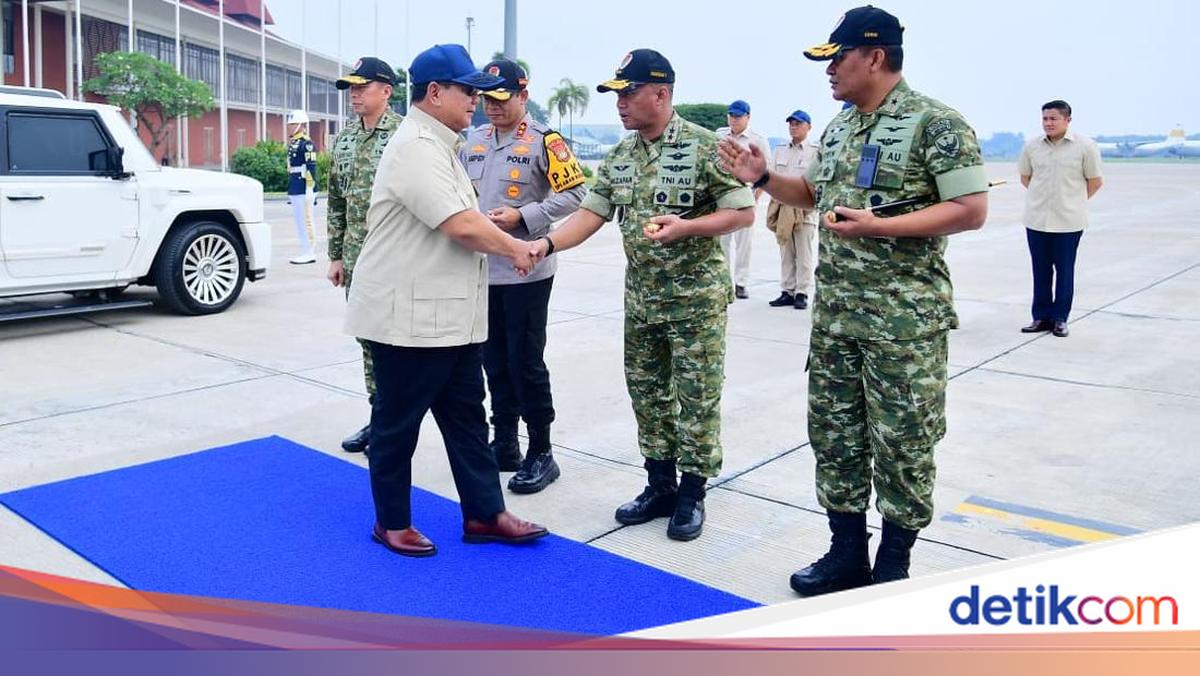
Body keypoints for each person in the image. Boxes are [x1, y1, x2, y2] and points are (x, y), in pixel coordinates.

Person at [719, 6, 989, 594]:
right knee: (836, 437)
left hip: (902, 326)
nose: (830, 70)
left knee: (904, 443)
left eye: (837, 58)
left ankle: (892, 567)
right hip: (837, 320)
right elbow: (811, 193)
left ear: (875, 56)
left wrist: (879, 227)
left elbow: (970, 210)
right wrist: (762, 178)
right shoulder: (841, 127)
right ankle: (846, 553)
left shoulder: (935, 123)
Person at [529, 49, 756, 541]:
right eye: (617, 95)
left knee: (697, 396)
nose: (620, 103)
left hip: (695, 302)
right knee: (648, 393)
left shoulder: (705, 147)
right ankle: (660, 485)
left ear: (661, 93)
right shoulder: (621, 155)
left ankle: (692, 493)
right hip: (643, 300)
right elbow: (590, 214)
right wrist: (545, 244)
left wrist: (688, 227)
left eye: (629, 93)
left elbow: (742, 212)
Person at [344, 44, 548, 556]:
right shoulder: (416, 146)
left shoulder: (441, 145)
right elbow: (461, 225)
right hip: (408, 319)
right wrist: (518, 250)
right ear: (435, 92)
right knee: (397, 423)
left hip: (447, 317)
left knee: (467, 420)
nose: (477, 100)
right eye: (468, 90)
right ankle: (391, 521)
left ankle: (484, 514)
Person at [460, 58, 587, 493]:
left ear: (523, 95)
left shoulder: (545, 141)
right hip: (483, 270)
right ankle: (505, 443)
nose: (492, 106)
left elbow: (577, 194)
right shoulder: (474, 140)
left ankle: (542, 451)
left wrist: (525, 215)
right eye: (486, 99)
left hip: (526, 271)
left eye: (502, 98)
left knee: (525, 363)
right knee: (493, 361)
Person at [325, 57, 404, 456]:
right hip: (357, 261)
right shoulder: (344, 139)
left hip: (395, 259)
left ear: (386, 91)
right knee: (367, 342)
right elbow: (336, 200)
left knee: (393, 346)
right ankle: (379, 418)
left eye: (362, 87)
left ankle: (392, 425)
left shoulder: (404, 136)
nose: (354, 95)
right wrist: (336, 255)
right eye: (351, 89)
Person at [1017, 100, 1103, 338]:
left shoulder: (1085, 147)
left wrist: (1073, 201)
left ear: (1068, 120)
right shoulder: (1032, 146)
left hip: (1068, 222)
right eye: (1045, 118)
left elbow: (1095, 181)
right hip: (1036, 220)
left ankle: (1060, 319)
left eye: (1053, 119)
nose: (1048, 123)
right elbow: (1026, 177)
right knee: (1040, 270)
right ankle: (1041, 317)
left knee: (1065, 272)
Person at [716, 100, 771, 299]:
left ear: (748, 117)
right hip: (722, 193)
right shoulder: (719, 135)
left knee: (743, 243)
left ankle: (741, 282)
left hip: (744, 193)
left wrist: (755, 198)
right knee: (722, 241)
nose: (734, 119)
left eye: (738, 116)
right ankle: (724, 281)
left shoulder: (757, 140)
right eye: (731, 115)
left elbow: (766, 173)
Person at [765, 110, 819, 310]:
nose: (793, 127)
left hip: (805, 209)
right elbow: (772, 176)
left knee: (804, 253)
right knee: (786, 252)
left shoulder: (815, 151)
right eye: (791, 124)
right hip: (783, 208)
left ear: (808, 127)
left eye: (798, 124)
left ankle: (801, 292)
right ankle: (787, 290)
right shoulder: (780, 150)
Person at [285, 109, 318, 265]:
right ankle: (304, 250)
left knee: (306, 221)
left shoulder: (307, 143)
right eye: (290, 125)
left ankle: (310, 252)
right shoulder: (294, 143)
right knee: (300, 221)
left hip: (304, 186)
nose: (290, 127)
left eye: (293, 125)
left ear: (301, 125)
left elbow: (311, 167)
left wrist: (310, 188)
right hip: (295, 186)